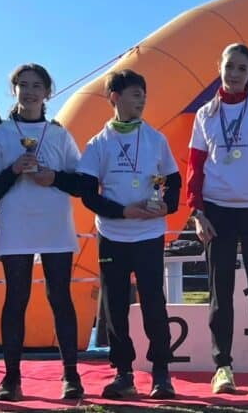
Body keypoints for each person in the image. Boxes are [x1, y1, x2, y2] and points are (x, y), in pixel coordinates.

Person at [0, 64, 84, 401]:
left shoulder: (58, 134)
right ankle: (11, 378)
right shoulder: (1, 134)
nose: (29, 92)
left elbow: (81, 182)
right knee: (16, 298)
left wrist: (53, 177)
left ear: (47, 92)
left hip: (54, 223)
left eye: (36, 86)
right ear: (14, 90)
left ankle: (71, 374)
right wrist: (14, 170)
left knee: (60, 297)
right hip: (16, 223)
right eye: (23, 85)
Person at [76, 69, 181, 400]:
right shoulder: (98, 143)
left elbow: (174, 182)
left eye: (144, 95)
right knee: (115, 305)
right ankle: (123, 373)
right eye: (135, 94)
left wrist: (166, 207)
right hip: (112, 235)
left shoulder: (155, 139)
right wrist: (122, 211)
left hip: (148, 234)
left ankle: (161, 373)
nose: (142, 100)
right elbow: (87, 194)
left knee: (153, 302)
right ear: (115, 98)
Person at [186, 43, 248, 393]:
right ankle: (222, 367)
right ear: (220, 67)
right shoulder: (205, 114)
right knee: (220, 292)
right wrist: (198, 212)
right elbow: (195, 167)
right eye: (229, 66)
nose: (234, 74)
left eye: (242, 68)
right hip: (217, 212)